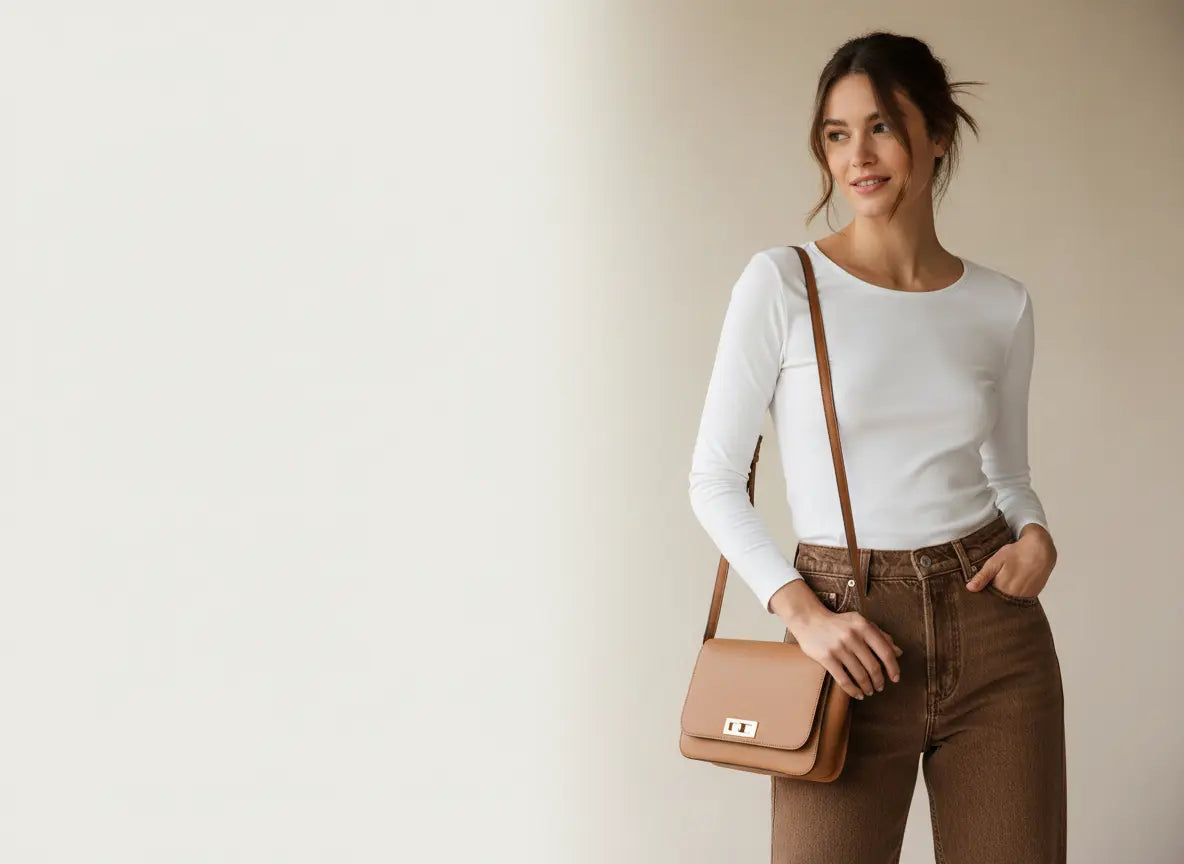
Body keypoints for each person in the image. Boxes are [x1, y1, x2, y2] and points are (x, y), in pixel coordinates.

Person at [686, 32, 1066, 864]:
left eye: (882, 127)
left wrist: (1035, 534)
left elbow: (1008, 473)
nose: (856, 155)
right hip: (845, 629)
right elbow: (713, 479)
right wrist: (804, 616)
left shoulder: (1000, 304)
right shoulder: (783, 283)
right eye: (836, 134)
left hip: (995, 633)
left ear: (938, 134)